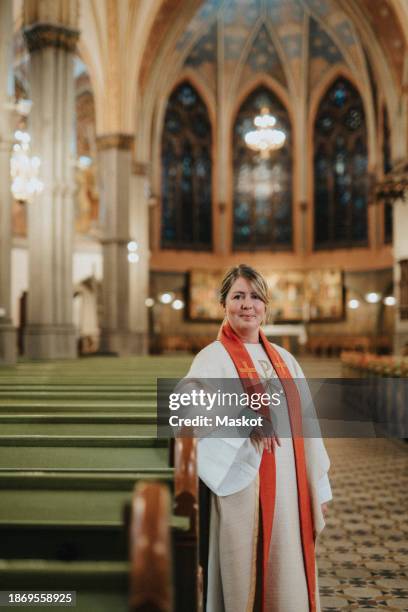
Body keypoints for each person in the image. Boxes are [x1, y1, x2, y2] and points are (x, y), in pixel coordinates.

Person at [184, 264, 332, 612]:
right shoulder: (212, 358)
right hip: (243, 486)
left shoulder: (285, 359)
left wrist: (319, 487)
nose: (247, 305)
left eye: (255, 297)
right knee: (247, 572)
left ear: (266, 305)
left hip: (291, 488)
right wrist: (241, 420)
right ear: (224, 304)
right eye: (238, 296)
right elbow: (184, 411)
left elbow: (309, 425)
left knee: (287, 563)